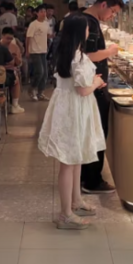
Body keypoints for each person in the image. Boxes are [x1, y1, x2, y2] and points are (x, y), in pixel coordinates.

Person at [38, 14, 106, 229]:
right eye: (86, 28)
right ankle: (65, 214)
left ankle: (76, 201)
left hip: (69, 108)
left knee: (75, 158)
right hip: (74, 110)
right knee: (69, 161)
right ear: (79, 31)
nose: (89, 31)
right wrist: (96, 83)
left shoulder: (68, 53)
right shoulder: (77, 58)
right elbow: (83, 89)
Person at [80, 0, 124, 195]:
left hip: (92, 85)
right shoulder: (90, 22)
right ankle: (92, 180)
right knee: (97, 133)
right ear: (104, 4)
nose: (112, 16)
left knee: (92, 132)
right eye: (113, 11)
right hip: (94, 88)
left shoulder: (85, 20)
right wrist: (110, 52)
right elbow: (88, 55)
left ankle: (85, 175)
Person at [26, 4, 50, 101]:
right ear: (37, 13)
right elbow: (28, 38)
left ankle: (40, 93)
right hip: (35, 51)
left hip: (43, 51)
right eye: (41, 12)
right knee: (39, 72)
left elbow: (47, 35)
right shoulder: (33, 24)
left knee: (45, 74)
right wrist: (27, 50)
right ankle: (32, 89)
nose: (44, 13)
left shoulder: (46, 23)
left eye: (45, 11)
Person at [0, 26, 25, 114]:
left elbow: (19, 63)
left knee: (15, 78)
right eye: (7, 38)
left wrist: (15, 58)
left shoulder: (14, 47)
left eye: (11, 38)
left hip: (10, 69)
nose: (9, 40)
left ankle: (15, 104)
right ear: (2, 36)